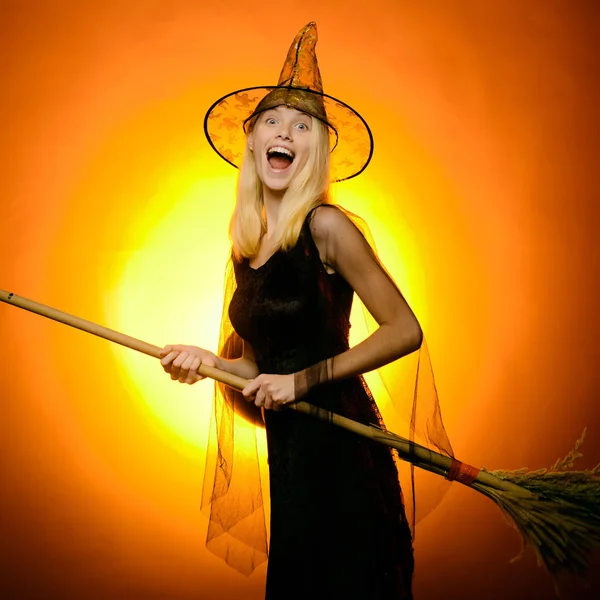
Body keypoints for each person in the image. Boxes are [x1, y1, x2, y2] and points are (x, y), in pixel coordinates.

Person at [159, 22, 452, 600]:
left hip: (343, 449)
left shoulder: (327, 226)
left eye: (302, 126)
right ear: (251, 140)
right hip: (291, 455)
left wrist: (302, 382)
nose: (284, 132)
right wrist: (204, 362)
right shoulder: (248, 245)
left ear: (314, 149)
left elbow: (405, 329)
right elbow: (257, 369)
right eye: (272, 121)